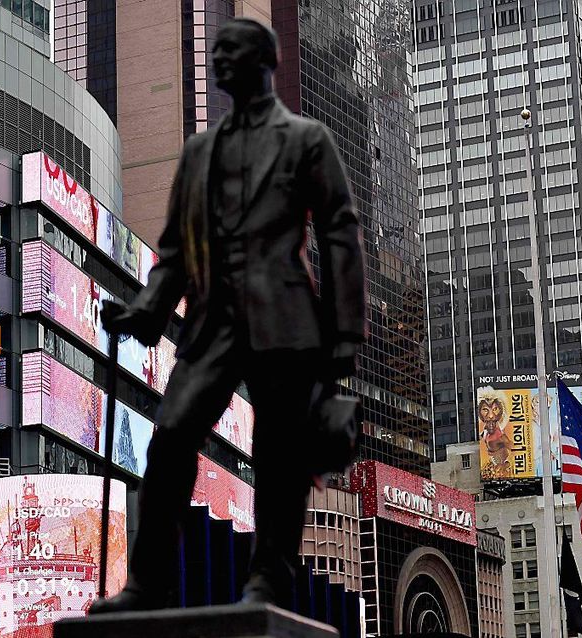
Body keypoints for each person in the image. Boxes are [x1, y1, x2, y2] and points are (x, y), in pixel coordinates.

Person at [90, 17, 365, 613]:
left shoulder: (306, 139)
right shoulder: (198, 153)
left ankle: (269, 579)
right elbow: (175, 251)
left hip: (284, 318)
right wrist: (145, 310)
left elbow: (341, 231)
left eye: (230, 52)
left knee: (278, 455)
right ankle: (147, 584)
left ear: (264, 62)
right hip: (213, 319)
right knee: (168, 439)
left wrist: (345, 334)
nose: (218, 61)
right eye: (215, 54)